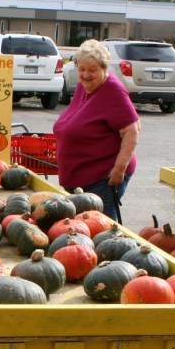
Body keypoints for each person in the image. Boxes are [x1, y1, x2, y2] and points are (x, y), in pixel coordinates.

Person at [53, 39, 141, 221]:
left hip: (102, 180)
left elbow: (132, 131)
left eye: (92, 70)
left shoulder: (113, 91)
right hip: (79, 179)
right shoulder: (83, 88)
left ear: (104, 68)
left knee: (102, 230)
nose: (85, 75)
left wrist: (119, 169)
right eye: (82, 69)